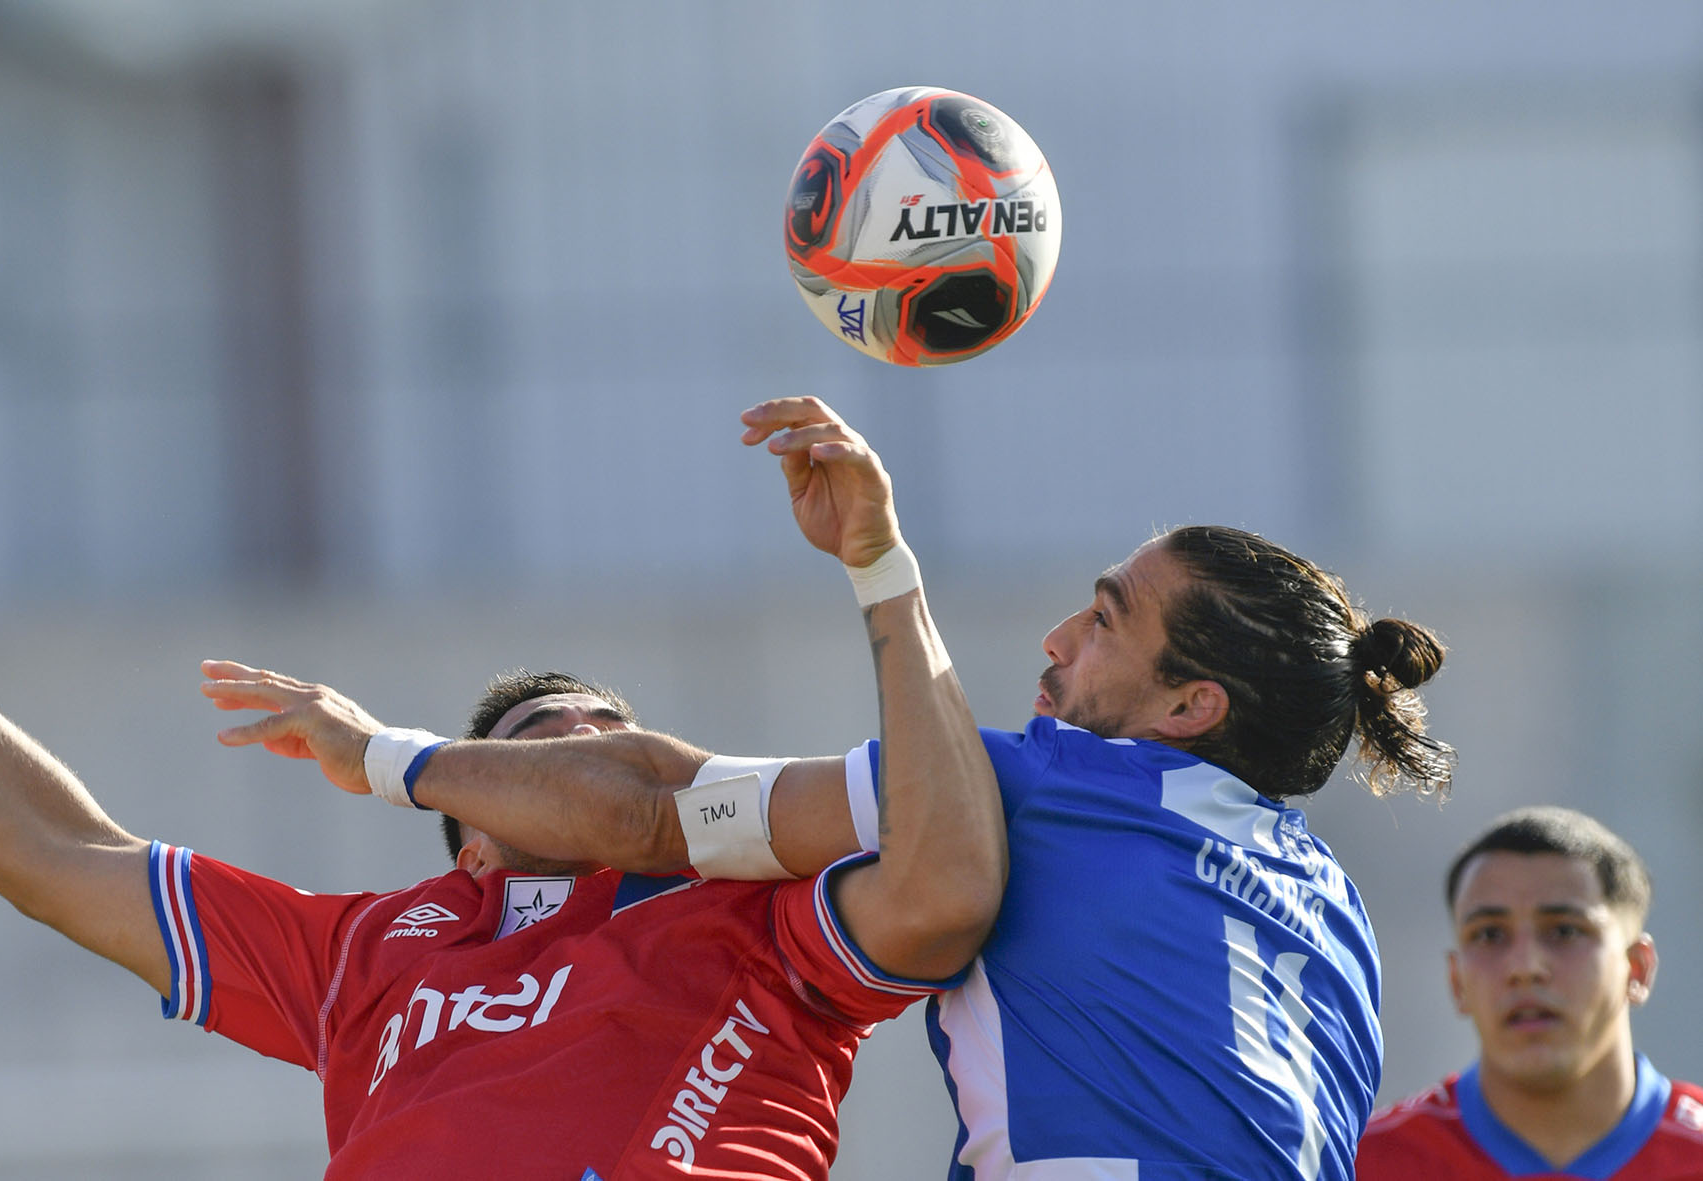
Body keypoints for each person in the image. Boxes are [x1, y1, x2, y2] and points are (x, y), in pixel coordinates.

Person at [224, 396, 1459, 1180]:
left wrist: (380, 755)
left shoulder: (1050, 783)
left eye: (1101, 619)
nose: (1051, 638)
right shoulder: (1328, 902)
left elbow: (651, 812)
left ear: (1191, 706)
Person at [0, 394, 1008, 1178]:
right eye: (542, 744)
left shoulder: (764, 914)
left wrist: (880, 567)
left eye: (613, 732)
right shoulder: (366, 946)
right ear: (475, 840)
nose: (588, 744)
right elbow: (46, 848)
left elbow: (943, 884)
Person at [1357, 806, 1703, 1179]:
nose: (1524, 968)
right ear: (1458, 982)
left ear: (1637, 968)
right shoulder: (1361, 1164)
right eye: (1489, 934)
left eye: (1564, 931)